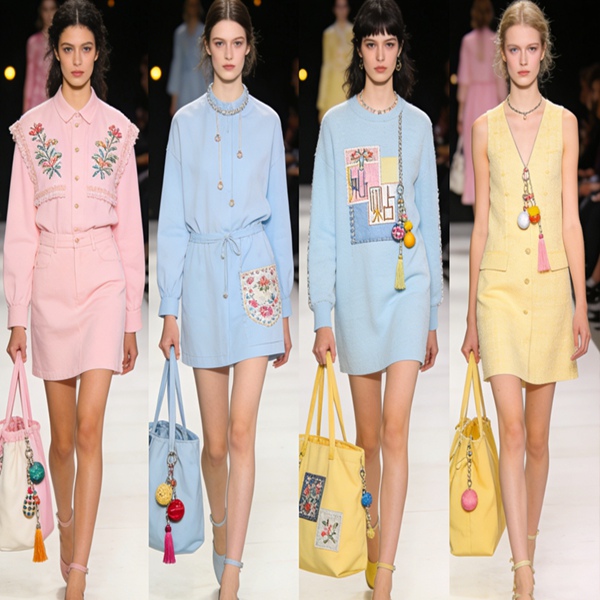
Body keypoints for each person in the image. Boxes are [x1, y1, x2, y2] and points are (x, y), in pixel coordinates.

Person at [4, 1, 144, 598]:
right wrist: (16, 316)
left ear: (97, 53)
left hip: (104, 283)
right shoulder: (31, 131)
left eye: (87, 49)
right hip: (50, 284)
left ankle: (79, 572)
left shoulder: (118, 130)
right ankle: (65, 525)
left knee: (89, 432)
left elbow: (131, 230)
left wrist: (132, 318)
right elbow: (19, 230)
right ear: (54, 53)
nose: (78, 59)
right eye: (68, 49)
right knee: (61, 443)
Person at [157, 1, 294, 598]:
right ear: (207, 48)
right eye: (220, 42)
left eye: (239, 42)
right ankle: (219, 528)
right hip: (202, 282)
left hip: (256, 275)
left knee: (241, 434)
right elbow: (170, 220)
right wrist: (168, 306)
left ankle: (232, 573)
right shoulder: (184, 123)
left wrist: (285, 309)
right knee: (214, 446)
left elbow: (280, 218)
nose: (230, 52)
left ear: (249, 48)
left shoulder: (268, 121)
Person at [308, 1, 442, 598]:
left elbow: (430, 222)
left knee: (394, 431)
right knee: (367, 442)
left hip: (407, 291)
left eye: (390, 43)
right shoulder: (336, 125)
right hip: (356, 298)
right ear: (358, 50)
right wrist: (321, 314)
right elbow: (324, 227)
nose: (381, 54)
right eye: (371, 44)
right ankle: (371, 541)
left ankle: (384, 573)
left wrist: (432, 313)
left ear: (399, 50)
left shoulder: (418, 124)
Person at [461, 2, 591, 599]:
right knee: (510, 431)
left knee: (537, 440)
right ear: (502, 54)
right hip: (499, 288)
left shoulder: (565, 123)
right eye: (512, 49)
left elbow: (569, 218)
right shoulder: (483, 128)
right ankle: (521, 570)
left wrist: (579, 302)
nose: (522, 59)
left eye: (531, 49)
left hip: (549, 288)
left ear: (544, 52)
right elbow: (481, 225)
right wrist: (470, 315)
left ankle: (528, 543)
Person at [456, 0, 506, 207]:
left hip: (473, 102)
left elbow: (464, 79)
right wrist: (506, 107)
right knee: (491, 157)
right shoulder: (496, 41)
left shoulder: (467, 41)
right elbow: (500, 78)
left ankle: (479, 217)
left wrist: (460, 115)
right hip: (492, 100)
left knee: (474, 158)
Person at [167, 0, 208, 116]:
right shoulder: (179, 33)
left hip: (201, 85)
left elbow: (208, 65)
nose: (192, 8)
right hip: (184, 88)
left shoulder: (205, 32)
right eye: (190, 5)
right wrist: (174, 101)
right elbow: (177, 64)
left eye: (195, 5)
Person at [316, 0, 353, 122]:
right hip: (332, 88)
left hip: (349, 86)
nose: (341, 11)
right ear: (334, 10)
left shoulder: (354, 33)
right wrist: (322, 102)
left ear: (348, 9)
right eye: (339, 7)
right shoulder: (328, 34)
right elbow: (326, 65)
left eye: (344, 7)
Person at [23, 0, 57, 112]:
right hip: (37, 101)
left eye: (52, 9)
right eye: (45, 10)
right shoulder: (33, 42)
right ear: (40, 12)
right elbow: (30, 77)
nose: (49, 14)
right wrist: (26, 111)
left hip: (57, 100)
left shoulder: (63, 42)